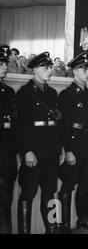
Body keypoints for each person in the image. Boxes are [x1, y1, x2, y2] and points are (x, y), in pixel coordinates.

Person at [15, 52, 62, 234]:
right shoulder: (25, 94)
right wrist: (27, 150)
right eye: (45, 67)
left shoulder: (51, 93)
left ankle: (52, 228)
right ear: (35, 70)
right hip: (34, 152)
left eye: (50, 67)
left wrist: (60, 149)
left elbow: (56, 125)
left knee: (50, 192)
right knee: (28, 193)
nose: (49, 70)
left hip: (51, 151)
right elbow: (22, 126)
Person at [57, 52, 88, 233]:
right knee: (68, 185)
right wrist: (68, 150)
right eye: (83, 69)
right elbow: (65, 125)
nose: (87, 72)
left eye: (87, 69)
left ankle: (83, 218)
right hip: (75, 146)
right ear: (75, 71)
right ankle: (64, 223)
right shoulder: (67, 95)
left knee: (85, 183)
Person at [0, 45, 17, 234]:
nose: (4, 66)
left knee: (6, 201)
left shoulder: (9, 92)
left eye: (5, 62)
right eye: (1, 63)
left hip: (7, 158)